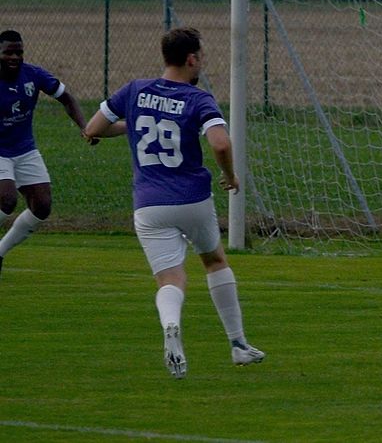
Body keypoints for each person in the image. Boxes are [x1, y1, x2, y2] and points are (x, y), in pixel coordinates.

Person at [84, 27, 264, 379]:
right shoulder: (198, 98)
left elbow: (93, 128)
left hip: (149, 204)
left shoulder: (134, 89)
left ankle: (171, 325)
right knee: (213, 260)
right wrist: (230, 175)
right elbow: (221, 143)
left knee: (170, 278)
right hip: (192, 199)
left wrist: (130, 125)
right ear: (191, 59)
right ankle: (239, 345)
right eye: (202, 57)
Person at [0, 30, 91, 277]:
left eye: (18, 52)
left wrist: (85, 127)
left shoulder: (34, 75)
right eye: (8, 51)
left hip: (25, 150)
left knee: (42, 206)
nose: (14, 57)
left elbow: (68, 99)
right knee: (7, 200)